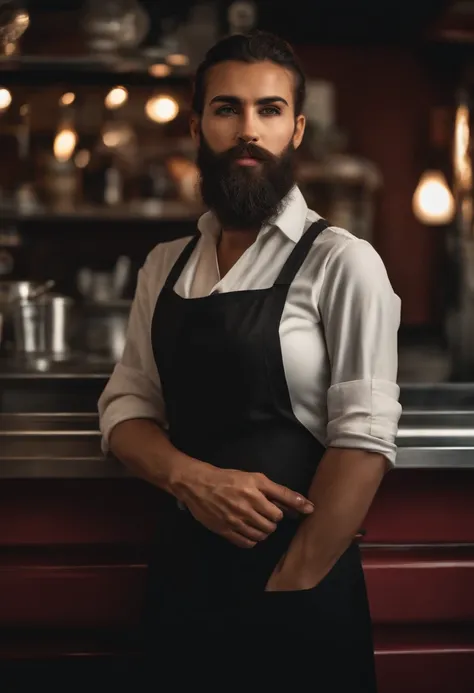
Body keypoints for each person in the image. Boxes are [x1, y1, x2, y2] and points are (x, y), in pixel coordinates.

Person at [98, 30, 401, 690]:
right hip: (182, 581)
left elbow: (365, 438)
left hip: (298, 588)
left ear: (296, 129)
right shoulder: (163, 265)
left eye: (268, 110)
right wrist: (189, 477)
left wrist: (293, 582)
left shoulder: (344, 261)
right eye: (227, 108)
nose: (247, 130)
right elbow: (126, 408)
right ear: (197, 125)